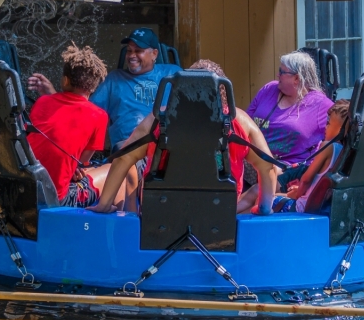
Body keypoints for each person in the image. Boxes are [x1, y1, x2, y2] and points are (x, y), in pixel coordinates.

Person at [89, 59, 280, 216]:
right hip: (218, 214)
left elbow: (123, 158)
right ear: (222, 88)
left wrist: (104, 205)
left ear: (182, 87)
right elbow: (268, 167)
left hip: (160, 212)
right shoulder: (240, 122)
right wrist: (263, 208)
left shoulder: (157, 120)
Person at [27, 28, 181, 152]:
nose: (132, 56)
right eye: (129, 51)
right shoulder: (114, 79)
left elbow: (196, 94)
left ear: (154, 54)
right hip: (128, 147)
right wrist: (53, 95)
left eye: (138, 50)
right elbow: (83, 112)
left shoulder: (172, 72)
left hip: (167, 144)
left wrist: (204, 68)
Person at [25, 45, 118, 209]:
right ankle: (121, 217)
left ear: (66, 80)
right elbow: (82, 161)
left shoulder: (42, 102)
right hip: (57, 199)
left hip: (27, 190)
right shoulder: (99, 116)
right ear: (94, 86)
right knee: (115, 170)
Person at [246, 51, 334, 191]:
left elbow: (339, 132)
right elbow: (245, 122)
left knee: (255, 194)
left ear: (297, 78)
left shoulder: (320, 104)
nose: (277, 75)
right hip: (251, 163)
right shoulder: (269, 89)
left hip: (286, 172)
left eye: (282, 71)